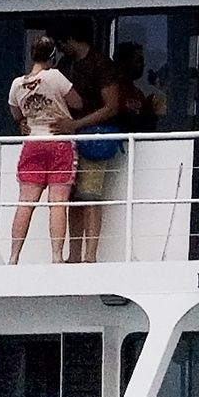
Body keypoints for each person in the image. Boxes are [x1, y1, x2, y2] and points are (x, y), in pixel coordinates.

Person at [7, 36, 84, 264]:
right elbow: (77, 103)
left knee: (25, 203)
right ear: (52, 57)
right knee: (58, 203)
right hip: (59, 142)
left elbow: (16, 114)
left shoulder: (17, 84)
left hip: (32, 144)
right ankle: (57, 257)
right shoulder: (55, 76)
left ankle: (13, 257)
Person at [57, 33, 124, 264]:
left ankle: (90, 257)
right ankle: (75, 255)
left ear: (70, 39)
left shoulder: (101, 63)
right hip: (70, 137)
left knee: (91, 195)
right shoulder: (66, 65)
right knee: (73, 197)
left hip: (96, 137)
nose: (61, 49)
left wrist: (76, 124)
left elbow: (112, 106)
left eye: (62, 43)